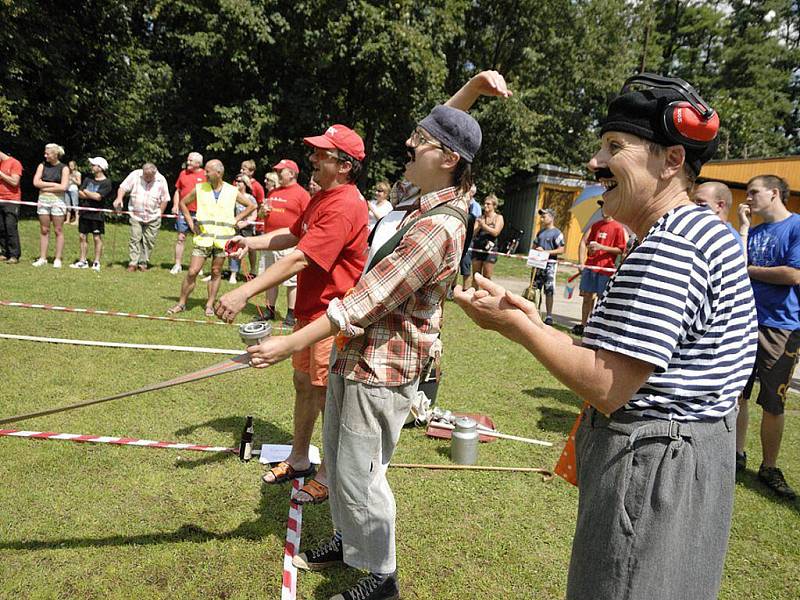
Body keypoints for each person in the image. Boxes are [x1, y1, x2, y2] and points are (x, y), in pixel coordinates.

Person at [455, 74, 757, 600]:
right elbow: (624, 358)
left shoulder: (671, 247)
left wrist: (519, 329)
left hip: (654, 465)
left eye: (615, 147)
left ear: (671, 161)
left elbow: (607, 384)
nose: (595, 163)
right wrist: (538, 321)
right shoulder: (705, 232)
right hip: (688, 458)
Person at [244, 70, 509, 600]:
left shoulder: (441, 225)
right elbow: (441, 127)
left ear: (449, 159)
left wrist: (285, 344)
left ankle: (382, 576)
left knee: (363, 475)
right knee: (340, 461)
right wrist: (473, 91)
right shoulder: (421, 195)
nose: (410, 144)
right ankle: (348, 542)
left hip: (383, 366)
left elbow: (362, 304)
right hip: (357, 356)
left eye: (423, 142)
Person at [216, 127, 368, 509]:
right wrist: (251, 241)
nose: (313, 159)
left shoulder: (345, 204)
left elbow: (301, 258)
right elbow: (294, 235)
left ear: (345, 166)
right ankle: (300, 458)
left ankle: (328, 475)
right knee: (305, 384)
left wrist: (244, 291)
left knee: (329, 395)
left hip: (330, 318)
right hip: (308, 313)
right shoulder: (323, 197)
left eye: (322, 154)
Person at [736, 174, 800, 500]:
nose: (748, 199)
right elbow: (736, 264)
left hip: (781, 326)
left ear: (774, 193)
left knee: (773, 402)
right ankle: (736, 454)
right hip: (745, 321)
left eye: (753, 193)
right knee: (737, 393)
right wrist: (745, 227)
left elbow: (793, 274)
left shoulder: (796, 227)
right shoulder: (755, 231)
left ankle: (769, 467)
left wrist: (751, 271)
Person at [168, 159, 256, 316]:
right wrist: (190, 222)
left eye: (208, 171)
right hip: (203, 238)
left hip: (223, 240)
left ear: (219, 173)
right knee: (192, 271)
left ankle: (209, 304)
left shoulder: (231, 190)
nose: (205, 174)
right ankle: (181, 303)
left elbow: (252, 206)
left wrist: (236, 219)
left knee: (216, 272)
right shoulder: (200, 188)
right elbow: (183, 203)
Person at [257, 159, 311, 326]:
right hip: (270, 241)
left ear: (292, 174)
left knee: (291, 280)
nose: (278, 174)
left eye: (282, 171)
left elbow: (308, 218)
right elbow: (260, 215)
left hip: (289, 242)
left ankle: (291, 313)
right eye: (278, 171)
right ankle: (269, 310)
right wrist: (262, 212)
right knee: (269, 276)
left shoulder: (302, 194)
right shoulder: (273, 192)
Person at [570, 200, 626, 336]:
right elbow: (585, 242)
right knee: (587, 297)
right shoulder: (596, 225)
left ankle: (596, 326)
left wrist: (602, 247)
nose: (604, 210)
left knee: (601, 299)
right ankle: (583, 325)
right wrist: (583, 258)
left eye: (606, 207)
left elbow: (621, 250)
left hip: (605, 268)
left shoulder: (618, 228)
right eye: (602, 207)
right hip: (591, 265)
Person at [113, 162, 170, 272]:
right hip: (136, 214)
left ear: (154, 174)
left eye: (150, 176)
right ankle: (133, 263)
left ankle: (143, 263)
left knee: (149, 240)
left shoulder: (161, 180)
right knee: (135, 238)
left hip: (153, 216)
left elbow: (165, 198)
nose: (147, 178)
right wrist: (119, 198)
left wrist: (160, 213)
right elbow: (122, 187)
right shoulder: (135, 175)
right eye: (145, 175)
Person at [32, 143, 70, 268]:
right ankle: (42, 257)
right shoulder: (42, 166)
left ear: (55, 154)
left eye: (47, 153)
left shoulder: (64, 168)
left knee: (58, 230)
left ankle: (57, 259)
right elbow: (36, 183)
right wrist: (54, 186)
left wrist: (46, 185)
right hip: (43, 200)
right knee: (44, 229)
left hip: (58, 201)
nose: (45, 155)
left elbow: (64, 187)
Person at [71, 157, 112, 271]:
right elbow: (80, 193)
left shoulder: (106, 182)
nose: (92, 167)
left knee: (96, 237)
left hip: (97, 214)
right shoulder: (88, 179)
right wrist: (90, 194)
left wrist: (87, 192)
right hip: (84, 212)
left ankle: (96, 262)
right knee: (82, 236)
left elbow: (98, 197)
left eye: (94, 165)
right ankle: (82, 260)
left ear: (100, 168)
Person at [170, 151, 206, 274]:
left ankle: (198, 267)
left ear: (198, 163)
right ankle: (177, 264)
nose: (188, 162)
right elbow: (177, 191)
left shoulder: (205, 175)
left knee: (199, 239)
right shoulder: (183, 173)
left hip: (200, 212)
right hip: (183, 211)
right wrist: (175, 205)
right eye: (188, 160)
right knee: (181, 237)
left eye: (190, 160)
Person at [532, 207, 565, 325]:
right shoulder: (540, 232)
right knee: (536, 289)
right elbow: (534, 245)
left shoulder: (557, 233)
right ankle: (535, 312)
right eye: (541, 216)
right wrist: (534, 252)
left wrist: (546, 252)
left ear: (551, 217)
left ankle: (549, 315)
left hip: (550, 265)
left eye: (544, 216)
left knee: (549, 290)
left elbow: (561, 249)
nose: (542, 219)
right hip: (538, 264)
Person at [692, 181, 743, 248]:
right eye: (693, 201)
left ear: (719, 205)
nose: (693, 206)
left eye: (700, 202)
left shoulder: (729, 239)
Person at [227, 175, 257, 284]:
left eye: (240, 181)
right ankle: (233, 273)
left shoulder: (250, 198)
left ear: (245, 184)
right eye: (236, 181)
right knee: (233, 248)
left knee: (250, 250)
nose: (237, 183)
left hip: (247, 229)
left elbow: (254, 215)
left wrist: (244, 223)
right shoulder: (232, 197)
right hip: (234, 227)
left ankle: (253, 270)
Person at [238, 159, 265, 276]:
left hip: (254, 222)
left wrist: (254, 219)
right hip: (239, 220)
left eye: (244, 169)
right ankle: (234, 270)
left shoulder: (257, 186)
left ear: (251, 172)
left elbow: (260, 204)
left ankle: (253, 270)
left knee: (252, 247)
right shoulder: (238, 182)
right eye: (241, 168)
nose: (241, 171)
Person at [470, 193, 504, 280]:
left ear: (494, 206)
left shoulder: (498, 218)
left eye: (488, 204)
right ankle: (475, 293)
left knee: (487, 277)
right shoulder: (481, 218)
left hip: (490, 250)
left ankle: (487, 293)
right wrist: (478, 225)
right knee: (476, 276)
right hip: (478, 248)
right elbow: (473, 233)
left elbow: (496, 232)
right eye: (485, 203)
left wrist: (483, 226)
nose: (485, 205)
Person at [0, 148, 23, 264]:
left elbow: (15, 182)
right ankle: (4, 253)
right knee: (1, 227)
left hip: (11, 200)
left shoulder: (15, 163)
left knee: (10, 227)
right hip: (0, 199)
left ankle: (14, 255)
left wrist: (1, 174)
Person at [65, 160, 81, 225]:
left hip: (74, 190)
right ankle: (67, 220)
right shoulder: (67, 173)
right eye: (69, 165)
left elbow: (79, 183)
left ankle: (77, 221)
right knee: (68, 205)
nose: (70, 166)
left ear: (74, 166)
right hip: (67, 190)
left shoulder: (78, 173)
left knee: (75, 205)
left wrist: (73, 180)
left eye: (72, 165)